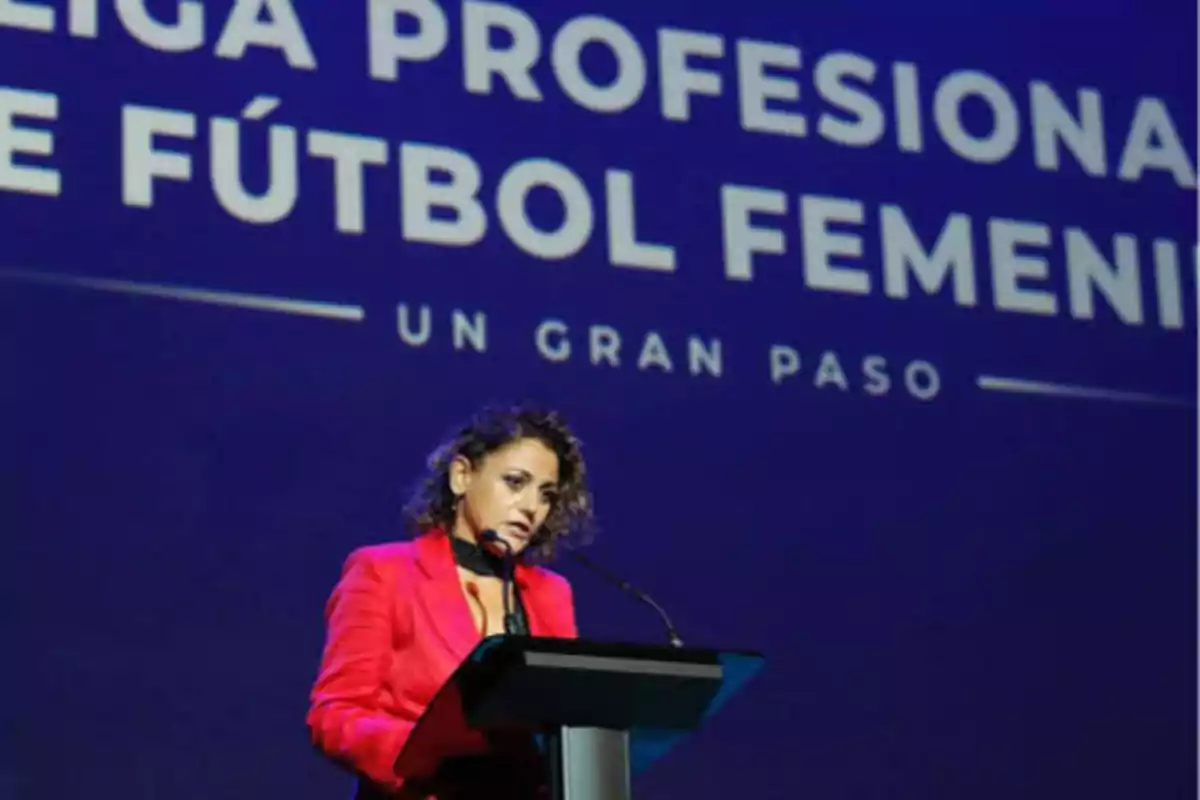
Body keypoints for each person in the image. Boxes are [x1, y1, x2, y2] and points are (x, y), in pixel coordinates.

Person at [306, 405, 594, 799]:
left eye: (546, 495)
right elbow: (335, 714)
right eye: (515, 482)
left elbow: (565, 719)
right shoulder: (384, 571)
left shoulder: (550, 593)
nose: (531, 507)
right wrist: (420, 753)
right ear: (462, 476)